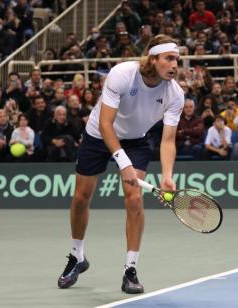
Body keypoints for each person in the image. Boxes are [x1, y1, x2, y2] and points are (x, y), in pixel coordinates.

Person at [57, 35, 184, 294]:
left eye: (177, 60)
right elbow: (106, 125)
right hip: (98, 135)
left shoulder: (175, 94)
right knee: (81, 198)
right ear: (153, 58)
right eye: (169, 58)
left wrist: (168, 176)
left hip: (136, 141)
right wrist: (122, 162)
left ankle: (130, 269)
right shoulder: (122, 74)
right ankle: (77, 256)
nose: (175, 65)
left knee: (134, 198)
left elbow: (168, 140)